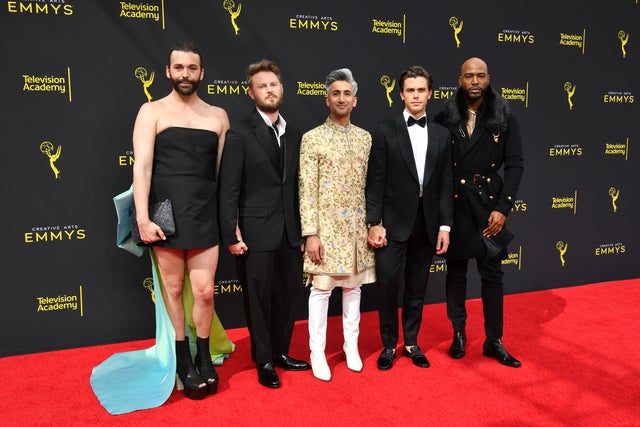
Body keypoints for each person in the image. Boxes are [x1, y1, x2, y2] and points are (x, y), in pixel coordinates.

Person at [91, 41, 234, 414]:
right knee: (172, 287)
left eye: (192, 68)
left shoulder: (218, 115)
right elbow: (142, 168)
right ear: (168, 71)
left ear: (202, 73)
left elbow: (222, 175)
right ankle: (183, 358)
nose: (185, 74)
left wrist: (227, 220)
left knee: (204, 293)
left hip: (204, 213)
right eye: (179, 68)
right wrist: (142, 218)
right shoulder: (151, 111)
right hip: (164, 212)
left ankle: (204, 356)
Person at [218, 59, 311, 389]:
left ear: (281, 88)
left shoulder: (294, 133)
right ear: (251, 92)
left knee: (288, 296)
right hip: (254, 234)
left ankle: (282, 352)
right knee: (257, 299)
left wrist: (303, 231)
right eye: (262, 86)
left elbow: (298, 186)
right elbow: (228, 187)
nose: (269, 90)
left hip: (289, 233)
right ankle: (265, 360)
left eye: (273, 84)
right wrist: (231, 231)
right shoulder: (240, 134)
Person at [434, 57, 524, 368]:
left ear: (488, 79)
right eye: (469, 76)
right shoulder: (444, 118)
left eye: (481, 76)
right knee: (456, 273)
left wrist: (504, 208)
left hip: (489, 207)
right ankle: (458, 333)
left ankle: (494, 340)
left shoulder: (505, 116)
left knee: (493, 275)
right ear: (459, 79)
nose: (475, 81)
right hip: (457, 204)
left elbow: (515, 164)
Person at [366, 65, 453, 371]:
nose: (416, 96)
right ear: (401, 94)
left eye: (421, 90)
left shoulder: (442, 134)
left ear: (430, 94)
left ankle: (412, 342)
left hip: (427, 225)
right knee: (388, 285)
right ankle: (389, 344)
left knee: (418, 286)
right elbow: (375, 181)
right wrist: (373, 222)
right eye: (410, 90)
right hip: (391, 225)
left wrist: (444, 225)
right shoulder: (384, 130)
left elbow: (445, 183)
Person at [299, 68, 376, 381]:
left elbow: (373, 184)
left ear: (355, 100)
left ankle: (351, 345)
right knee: (320, 291)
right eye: (336, 93)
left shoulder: (365, 138)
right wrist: (311, 233)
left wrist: (374, 224)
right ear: (327, 99)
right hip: (326, 231)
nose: (341, 98)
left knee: (353, 289)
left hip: (358, 231)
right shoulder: (312, 138)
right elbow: (306, 187)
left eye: (347, 94)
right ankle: (317, 351)